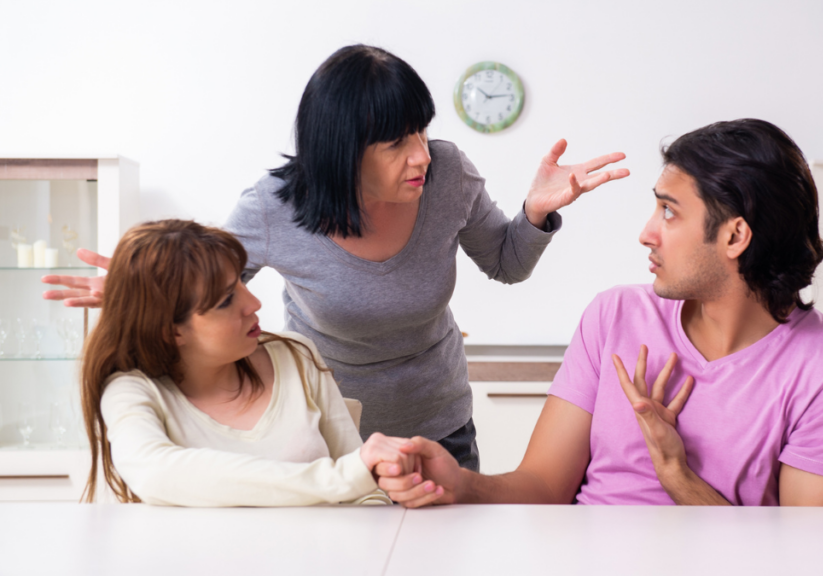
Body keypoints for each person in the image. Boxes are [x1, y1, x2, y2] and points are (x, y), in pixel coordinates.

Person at [43, 45, 629, 472]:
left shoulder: (449, 174)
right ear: (343, 149)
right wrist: (142, 292)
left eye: (421, 132)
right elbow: (205, 290)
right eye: (396, 141)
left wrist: (535, 212)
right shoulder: (276, 207)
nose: (421, 154)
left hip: (442, 426)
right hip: (327, 433)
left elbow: (506, 262)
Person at [377, 119, 823, 507]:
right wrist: (460, 482)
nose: (647, 231)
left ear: (735, 235)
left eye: (669, 211)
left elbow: (808, 562)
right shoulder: (615, 316)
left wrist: (677, 474)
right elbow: (542, 487)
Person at [82, 219, 423, 506]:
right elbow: (155, 470)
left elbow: (365, 495)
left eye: (241, 284)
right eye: (227, 299)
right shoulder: (130, 390)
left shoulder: (295, 355)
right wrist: (342, 478)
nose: (253, 303)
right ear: (171, 331)